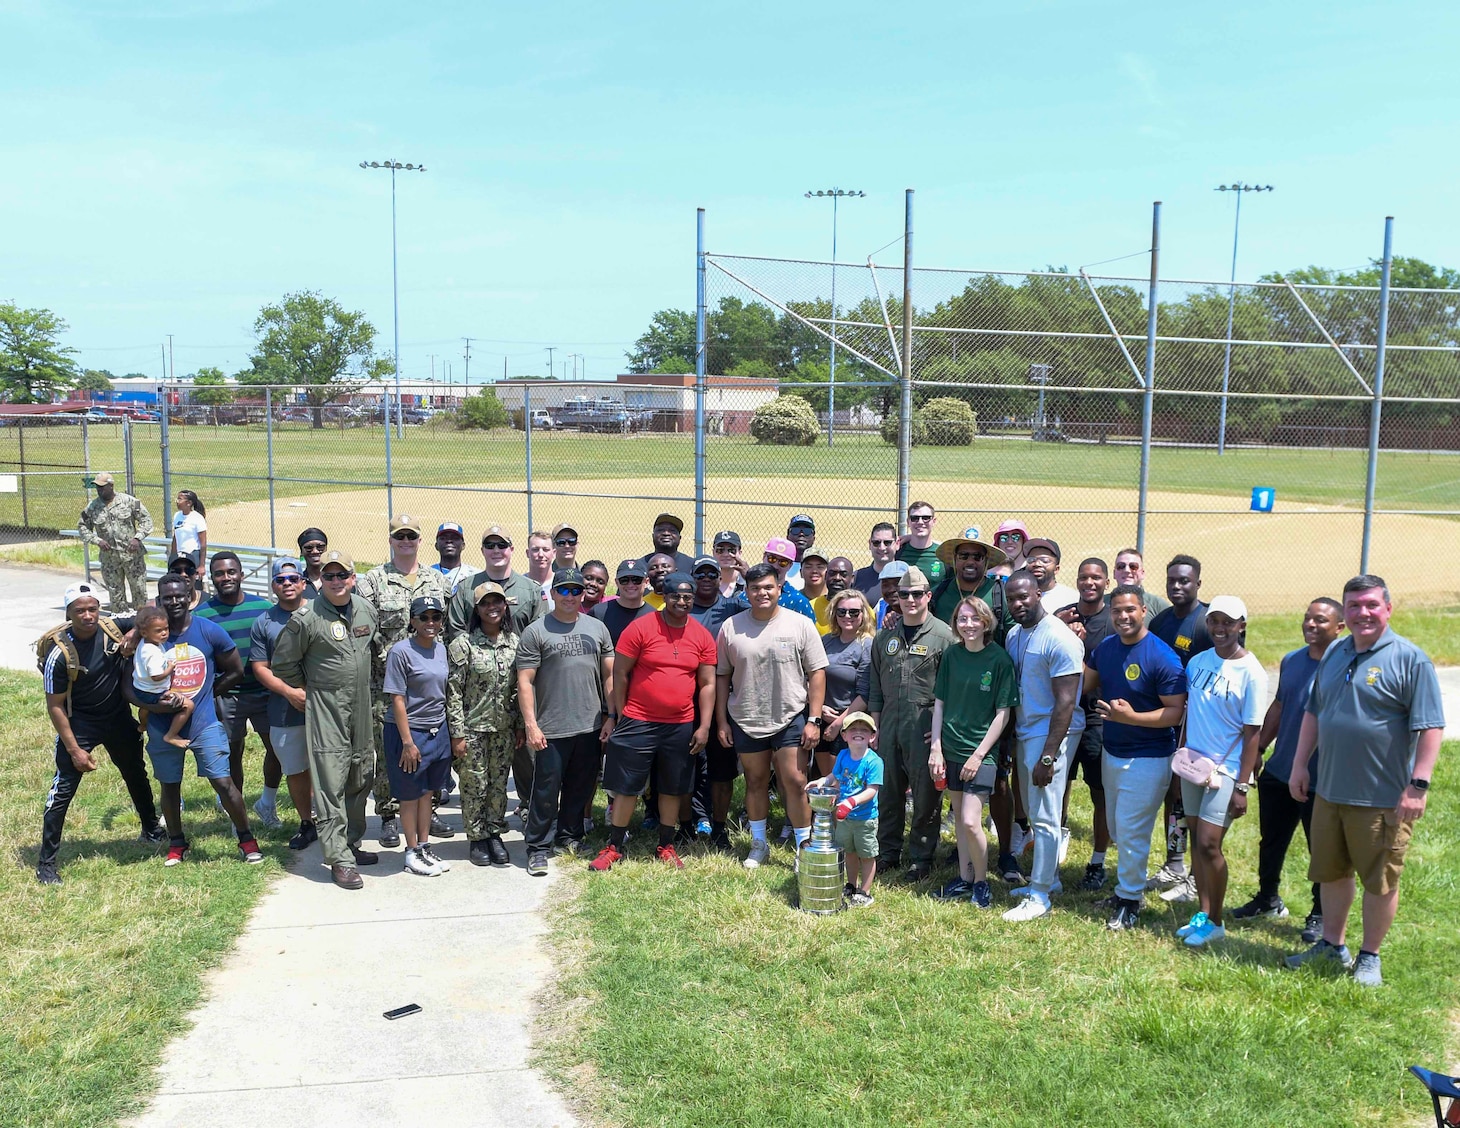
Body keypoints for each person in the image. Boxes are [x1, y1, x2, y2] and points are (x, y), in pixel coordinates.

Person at [1284, 575, 1445, 987]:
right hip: (1330, 790)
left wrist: (1418, 786)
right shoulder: (1336, 651)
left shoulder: (1411, 660)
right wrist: (1301, 765)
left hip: (1381, 798)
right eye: (1354, 606)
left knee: (1380, 879)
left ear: (1388, 608)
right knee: (1332, 873)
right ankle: (1332, 946)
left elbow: (1430, 728)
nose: (1363, 613)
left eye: (1371, 604)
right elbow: (1314, 713)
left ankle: (1369, 956)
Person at [1229, 597, 1344, 939]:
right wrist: (1261, 747)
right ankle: (1267, 898)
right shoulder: (1292, 661)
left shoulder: (1344, 667)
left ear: (1339, 628)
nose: (1310, 624)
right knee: (1272, 841)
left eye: (1320, 620)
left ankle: (1320, 913)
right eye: (1308, 618)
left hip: (1321, 778)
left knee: (1320, 849)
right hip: (1281, 771)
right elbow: (1279, 706)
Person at [36, 582, 164, 885]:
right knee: (63, 789)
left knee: (135, 773)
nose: (88, 615)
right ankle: (46, 863)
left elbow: (151, 613)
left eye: (92, 608)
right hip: (79, 723)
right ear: (69, 614)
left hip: (118, 717)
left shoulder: (111, 627)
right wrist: (75, 750)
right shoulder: (59, 653)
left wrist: (134, 632)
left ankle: (150, 828)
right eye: (80, 610)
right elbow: (55, 707)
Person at [590, 574, 717, 871]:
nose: (682, 602)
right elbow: (620, 673)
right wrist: (620, 714)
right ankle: (614, 846)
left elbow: (708, 683)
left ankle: (666, 844)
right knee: (626, 786)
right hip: (639, 720)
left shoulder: (701, 635)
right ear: (664, 597)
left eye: (688, 597)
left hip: (680, 723)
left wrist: (704, 726)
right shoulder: (642, 627)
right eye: (676, 596)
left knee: (672, 788)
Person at [270, 550, 380, 890]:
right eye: (329, 576)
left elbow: (371, 651)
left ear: (352, 578)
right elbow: (283, 664)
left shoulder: (366, 610)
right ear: (322, 580)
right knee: (331, 780)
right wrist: (309, 690)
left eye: (341, 575)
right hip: (327, 706)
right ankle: (339, 859)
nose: (335, 582)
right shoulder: (307, 617)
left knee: (361, 773)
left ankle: (351, 841)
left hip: (361, 703)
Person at [138, 572, 263, 868]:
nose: (174, 601)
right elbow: (128, 685)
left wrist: (207, 694)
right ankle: (177, 843)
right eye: (167, 597)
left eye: (179, 595)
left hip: (203, 721)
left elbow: (235, 669)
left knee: (223, 781)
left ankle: (247, 840)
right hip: (161, 725)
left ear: (190, 594)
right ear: (159, 599)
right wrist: (151, 705)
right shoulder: (147, 636)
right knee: (170, 786)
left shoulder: (208, 630)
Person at [1084, 585, 1187, 931]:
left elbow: (1175, 713)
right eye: (1117, 611)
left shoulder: (1162, 657)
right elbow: (1083, 682)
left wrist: (1131, 718)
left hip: (1148, 757)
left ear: (1144, 611)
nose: (1123, 617)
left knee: (1131, 831)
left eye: (1130, 610)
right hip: (1113, 753)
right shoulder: (1107, 648)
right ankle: (1124, 890)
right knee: (1116, 827)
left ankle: (1130, 899)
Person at [715, 563, 827, 869]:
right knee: (755, 780)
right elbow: (722, 676)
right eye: (755, 588)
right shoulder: (731, 627)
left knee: (794, 780)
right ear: (746, 592)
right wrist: (723, 720)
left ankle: (804, 847)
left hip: (790, 715)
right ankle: (759, 844)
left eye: (768, 587)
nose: (762, 593)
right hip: (746, 716)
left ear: (779, 588)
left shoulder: (800, 624)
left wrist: (814, 719)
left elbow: (817, 672)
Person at [1172, 596, 1268, 948]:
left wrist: (1242, 785)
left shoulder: (1252, 673)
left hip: (1225, 772)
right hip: (1194, 766)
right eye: (1214, 621)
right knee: (1197, 842)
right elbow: (1188, 716)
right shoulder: (1197, 662)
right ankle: (1203, 912)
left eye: (1228, 622)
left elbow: (1252, 734)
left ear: (1242, 625)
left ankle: (1216, 920)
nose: (1220, 628)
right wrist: (1179, 759)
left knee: (1211, 845)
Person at [357, 515, 453, 847]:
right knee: (389, 753)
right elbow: (363, 631)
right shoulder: (373, 580)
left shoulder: (436, 580)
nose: (406, 541)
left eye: (411, 536)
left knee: (428, 747)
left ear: (420, 541)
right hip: (385, 682)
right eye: (400, 536)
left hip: (427, 679)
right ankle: (387, 814)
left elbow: (449, 628)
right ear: (391, 540)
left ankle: (430, 809)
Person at [516, 568, 615, 876]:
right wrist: (531, 724)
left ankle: (569, 836)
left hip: (589, 724)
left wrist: (611, 715)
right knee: (545, 791)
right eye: (564, 590)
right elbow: (524, 681)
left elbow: (609, 674)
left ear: (583, 594)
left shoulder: (597, 628)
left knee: (581, 787)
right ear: (553, 594)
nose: (570, 596)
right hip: (551, 727)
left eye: (576, 591)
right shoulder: (536, 631)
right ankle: (537, 847)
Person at [1001, 571, 1085, 921]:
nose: (1018, 604)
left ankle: (1039, 896)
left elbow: (1066, 702)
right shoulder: (1014, 634)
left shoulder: (1060, 638)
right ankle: (1047, 880)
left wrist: (1049, 756)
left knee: (1047, 815)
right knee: (1036, 813)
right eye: (1012, 599)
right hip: (1026, 730)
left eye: (1025, 596)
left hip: (1051, 732)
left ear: (1038, 594)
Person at [928, 596, 1018, 909]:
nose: (968, 625)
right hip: (950, 749)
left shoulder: (999, 660)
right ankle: (964, 879)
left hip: (981, 754)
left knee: (969, 821)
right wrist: (936, 748)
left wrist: (979, 755)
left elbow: (1002, 714)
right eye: (962, 619)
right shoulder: (952, 656)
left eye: (974, 619)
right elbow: (940, 703)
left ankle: (982, 882)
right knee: (958, 819)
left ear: (986, 623)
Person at [867, 565, 956, 881]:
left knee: (925, 793)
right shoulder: (885, 637)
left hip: (925, 725)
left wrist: (941, 735)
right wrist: (875, 724)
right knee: (887, 790)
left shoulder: (944, 636)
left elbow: (952, 688)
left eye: (917, 593)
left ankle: (921, 856)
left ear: (928, 596)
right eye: (904, 594)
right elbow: (875, 685)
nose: (910, 599)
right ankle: (888, 851)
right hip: (889, 723)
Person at [195, 550, 281, 827]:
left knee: (277, 749)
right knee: (233, 753)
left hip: (265, 691)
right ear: (212, 578)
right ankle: (238, 813)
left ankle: (267, 802)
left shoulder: (263, 608)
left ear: (241, 574)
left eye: (231, 571)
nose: (226, 577)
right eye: (219, 573)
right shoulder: (203, 614)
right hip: (226, 695)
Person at [1147, 553, 1212, 899]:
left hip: (1200, 727)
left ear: (1198, 583)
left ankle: (1198, 875)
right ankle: (1175, 863)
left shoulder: (1208, 623)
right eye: (1172, 580)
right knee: (1173, 794)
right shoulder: (1160, 624)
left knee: (1194, 796)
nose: (1177, 586)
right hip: (1168, 723)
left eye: (1184, 580)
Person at [447, 582, 521, 868]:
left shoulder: (515, 642)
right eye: (486, 604)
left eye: (498, 603)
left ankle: (494, 833)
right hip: (472, 729)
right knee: (473, 784)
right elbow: (452, 692)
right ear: (476, 610)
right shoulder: (463, 645)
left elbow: (516, 689)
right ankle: (477, 837)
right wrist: (457, 733)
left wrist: (519, 726)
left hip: (502, 728)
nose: (493, 608)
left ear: (505, 606)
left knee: (499, 785)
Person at [248, 559, 318, 851]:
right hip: (285, 708)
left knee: (330, 764)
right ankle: (307, 823)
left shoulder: (321, 612)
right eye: (280, 580)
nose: (287, 584)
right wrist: (290, 693)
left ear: (303, 583)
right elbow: (260, 667)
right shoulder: (264, 622)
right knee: (296, 768)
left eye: (292, 578)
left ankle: (333, 821)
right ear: (273, 586)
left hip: (324, 704)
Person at [383, 596, 454, 876]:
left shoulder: (442, 650)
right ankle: (411, 852)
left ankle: (424, 846)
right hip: (408, 732)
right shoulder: (401, 651)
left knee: (427, 794)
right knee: (410, 795)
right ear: (412, 621)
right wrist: (408, 742)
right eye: (423, 617)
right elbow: (397, 699)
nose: (430, 623)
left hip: (437, 730)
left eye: (435, 617)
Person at [1055, 558, 1115, 888]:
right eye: (1083, 577)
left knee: (1099, 791)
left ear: (1106, 582)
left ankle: (1098, 860)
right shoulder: (1065, 614)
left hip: (1096, 717)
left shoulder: (1111, 620)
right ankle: (1053, 848)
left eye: (1096, 578)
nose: (1089, 582)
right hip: (1063, 714)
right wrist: (1060, 627)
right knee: (1058, 785)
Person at [807, 712, 883, 907]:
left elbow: (872, 791)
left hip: (865, 818)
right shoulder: (842, 755)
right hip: (844, 818)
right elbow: (835, 776)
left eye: (864, 730)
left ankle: (865, 892)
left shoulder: (874, 762)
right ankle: (851, 884)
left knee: (866, 855)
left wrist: (851, 802)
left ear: (872, 736)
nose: (859, 733)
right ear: (844, 735)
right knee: (848, 852)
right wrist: (822, 781)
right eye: (853, 729)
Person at [447, 522, 545, 638]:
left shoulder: (532, 590)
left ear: (511, 549)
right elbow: (456, 631)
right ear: (482, 550)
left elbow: (540, 633)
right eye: (490, 545)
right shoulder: (465, 589)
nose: (496, 550)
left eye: (502, 545)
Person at [815, 588, 874, 777]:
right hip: (822, 716)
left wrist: (838, 724)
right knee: (826, 781)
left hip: (851, 722)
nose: (847, 616)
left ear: (863, 614)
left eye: (854, 612)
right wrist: (819, 707)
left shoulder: (867, 645)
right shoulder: (826, 641)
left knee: (844, 780)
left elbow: (865, 693)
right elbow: (811, 677)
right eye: (842, 611)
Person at [77, 472, 153, 614]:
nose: (99, 490)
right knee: (116, 596)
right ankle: (121, 624)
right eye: (97, 488)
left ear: (111, 486)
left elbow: (146, 521)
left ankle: (142, 624)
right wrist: (97, 540)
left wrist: (137, 538)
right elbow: (82, 526)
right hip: (110, 559)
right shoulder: (92, 507)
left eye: (102, 487)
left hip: (132, 557)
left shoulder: (129, 501)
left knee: (140, 592)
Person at [131, 606, 195, 748]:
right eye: (158, 631)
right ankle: (171, 735)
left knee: (145, 708)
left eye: (166, 628)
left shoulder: (145, 642)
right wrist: (170, 668)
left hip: (140, 688)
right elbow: (156, 676)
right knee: (188, 706)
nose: (164, 633)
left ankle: (143, 725)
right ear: (144, 632)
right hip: (154, 691)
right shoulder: (152, 652)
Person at [931, 535, 1011, 642]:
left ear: (986, 560)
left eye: (977, 556)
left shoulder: (1001, 595)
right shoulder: (937, 594)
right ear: (954, 559)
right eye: (963, 556)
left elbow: (1012, 638)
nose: (970, 562)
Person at [592, 559, 656, 642]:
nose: (630, 585)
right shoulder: (599, 612)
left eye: (636, 580)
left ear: (647, 582)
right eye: (624, 580)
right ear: (617, 582)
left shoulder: (654, 616)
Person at [761, 538, 817, 621]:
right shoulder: (747, 595)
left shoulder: (799, 602)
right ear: (764, 557)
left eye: (783, 562)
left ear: (790, 565)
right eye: (772, 559)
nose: (776, 566)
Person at [1022, 538, 1078, 614]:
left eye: (1044, 560)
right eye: (1031, 560)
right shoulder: (1017, 597)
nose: (1037, 564)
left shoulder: (1071, 598)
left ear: (1056, 569)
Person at [1113, 548, 1171, 616]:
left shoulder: (1158, 606)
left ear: (1142, 574)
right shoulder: (1102, 604)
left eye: (1133, 566)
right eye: (1121, 566)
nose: (1127, 570)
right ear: (1114, 573)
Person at [896, 501, 944, 582]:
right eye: (915, 518)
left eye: (926, 518)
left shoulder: (943, 554)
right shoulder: (897, 552)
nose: (920, 522)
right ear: (908, 522)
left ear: (934, 521)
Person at [853, 522, 899, 602]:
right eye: (876, 543)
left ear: (897, 544)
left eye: (887, 542)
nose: (882, 548)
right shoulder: (857, 578)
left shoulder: (907, 577)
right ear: (870, 544)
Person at [168, 490, 208, 569]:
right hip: (180, 555)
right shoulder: (177, 515)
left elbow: (203, 545)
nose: (177, 501)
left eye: (180, 499)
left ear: (189, 503)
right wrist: (172, 558)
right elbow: (176, 538)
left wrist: (202, 565)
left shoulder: (197, 518)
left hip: (193, 554)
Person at [431, 522, 474, 592]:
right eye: (443, 538)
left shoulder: (473, 576)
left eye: (455, 538)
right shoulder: (427, 575)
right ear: (436, 545)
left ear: (463, 545)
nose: (449, 541)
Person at [799, 547, 831, 629]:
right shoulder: (796, 600)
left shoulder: (835, 600)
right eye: (808, 567)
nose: (814, 571)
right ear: (800, 572)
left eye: (820, 567)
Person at [783, 513, 817, 589]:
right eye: (795, 530)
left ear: (813, 538)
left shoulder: (821, 570)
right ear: (787, 536)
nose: (801, 534)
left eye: (807, 531)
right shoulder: (778, 565)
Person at [711, 530, 747, 598]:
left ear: (739, 553)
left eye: (731, 550)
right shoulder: (705, 583)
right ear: (713, 552)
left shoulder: (748, 583)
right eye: (720, 550)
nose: (726, 554)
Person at [873, 560, 908, 628]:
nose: (891, 590)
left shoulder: (920, 609)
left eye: (897, 584)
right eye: (885, 585)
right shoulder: (880, 606)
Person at [297, 528, 328, 598]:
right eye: (308, 548)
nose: (315, 551)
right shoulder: (297, 583)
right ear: (301, 552)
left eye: (320, 547)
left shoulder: (337, 581)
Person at [525, 531, 556, 600]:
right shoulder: (520, 584)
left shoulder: (560, 585)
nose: (541, 555)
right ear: (527, 553)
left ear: (554, 553)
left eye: (546, 550)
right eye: (535, 550)